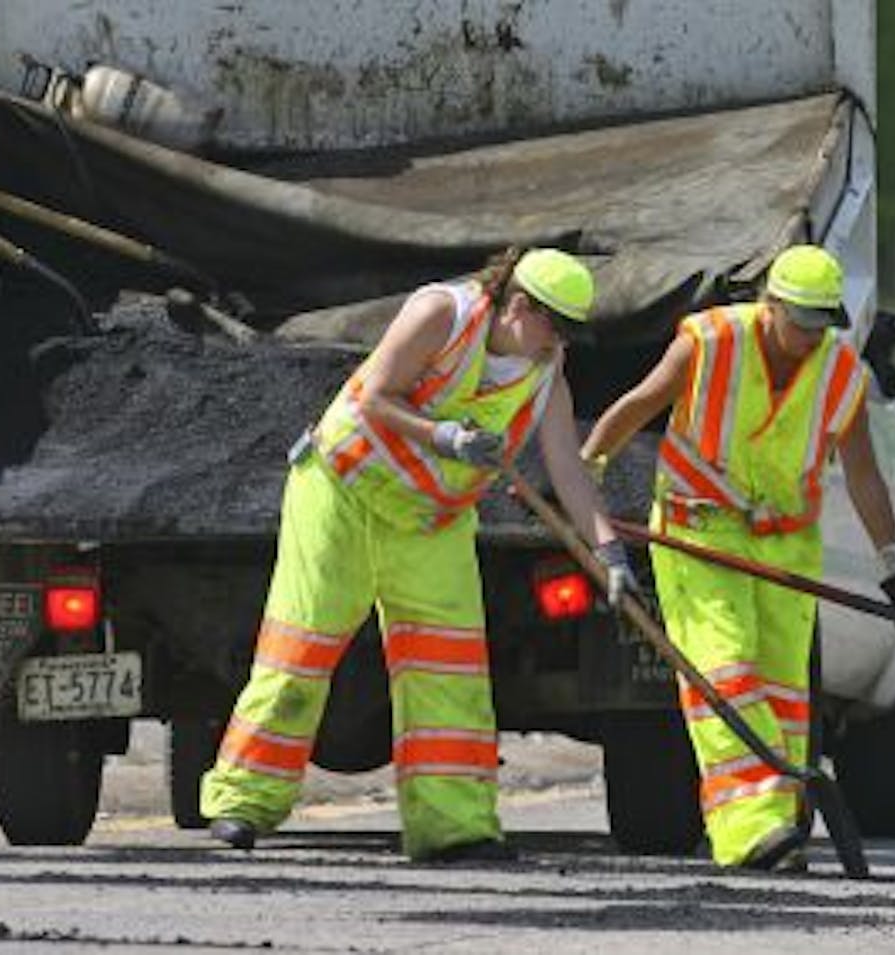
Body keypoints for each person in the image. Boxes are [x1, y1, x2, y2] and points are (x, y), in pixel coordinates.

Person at [202, 247, 633, 861]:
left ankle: (454, 828)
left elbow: (568, 470)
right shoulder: (441, 312)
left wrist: (610, 553)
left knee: (449, 676)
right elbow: (374, 395)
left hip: (430, 521)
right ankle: (242, 803)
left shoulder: (546, 373)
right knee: (299, 653)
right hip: (343, 490)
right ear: (518, 305)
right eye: (553, 325)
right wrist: (447, 436)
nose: (557, 343)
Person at [579, 244, 895, 871]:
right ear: (769, 307)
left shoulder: (839, 372)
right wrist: (583, 476)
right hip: (700, 535)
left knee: (784, 691)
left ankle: (783, 823)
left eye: (824, 325)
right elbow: (638, 405)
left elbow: (865, 475)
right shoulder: (709, 342)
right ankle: (748, 831)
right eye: (802, 324)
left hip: (787, 544)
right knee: (725, 675)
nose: (810, 339)